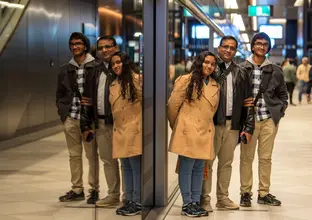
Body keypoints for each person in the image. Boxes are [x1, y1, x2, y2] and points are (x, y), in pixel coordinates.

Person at [200, 36, 255, 212]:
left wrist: (248, 126)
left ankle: (222, 198)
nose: (228, 50)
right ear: (219, 48)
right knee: (207, 163)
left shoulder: (241, 72)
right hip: (213, 124)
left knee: (226, 163)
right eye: (225, 47)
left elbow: (248, 102)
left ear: (235, 51)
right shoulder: (209, 69)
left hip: (233, 125)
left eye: (232, 48)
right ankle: (204, 198)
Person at [168, 51, 219, 218]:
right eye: (206, 62)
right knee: (187, 167)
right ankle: (187, 203)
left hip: (205, 132)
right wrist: (179, 126)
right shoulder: (185, 80)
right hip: (187, 131)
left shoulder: (214, 85)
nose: (209, 66)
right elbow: (172, 106)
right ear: (200, 62)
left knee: (199, 168)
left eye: (212, 64)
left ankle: (195, 202)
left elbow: (212, 110)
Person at [239, 32, 288, 207]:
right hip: (249, 122)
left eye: (265, 44)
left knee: (265, 158)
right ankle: (245, 193)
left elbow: (283, 94)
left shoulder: (276, 70)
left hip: (268, 120)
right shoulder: (242, 68)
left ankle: (264, 192)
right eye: (258, 43)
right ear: (253, 46)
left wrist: (279, 111)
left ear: (268, 48)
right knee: (246, 158)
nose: (261, 46)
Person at [80, 35, 124, 207]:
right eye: (101, 48)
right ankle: (113, 195)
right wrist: (85, 124)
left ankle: (130, 196)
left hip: (122, 124)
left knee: (126, 161)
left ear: (115, 47)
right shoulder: (93, 70)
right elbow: (87, 99)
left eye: (108, 46)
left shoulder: (123, 68)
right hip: (101, 123)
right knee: (107, 161)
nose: (104, 50)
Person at [56, 32, 99, 204]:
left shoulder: (96, 66)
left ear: (85, 45)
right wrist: (63, 114)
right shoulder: (65, 69)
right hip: (71, 118)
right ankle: (77, 189)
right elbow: (59, 93)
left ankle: (94, 189)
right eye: (72, 44)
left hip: (88, 120)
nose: (75, 47)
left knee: (91, 155)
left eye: (78, 43)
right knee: (74, 155)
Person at [108, 51, 143, 216]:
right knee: (126, 167)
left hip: (135, 130)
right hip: (121, 131)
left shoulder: (136, 80)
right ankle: (129, 199)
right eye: (113, 63)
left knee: (136, 168)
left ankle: (138, 201)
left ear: (126, 63)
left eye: (119, 62)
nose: (116, 66)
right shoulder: (113, 84)